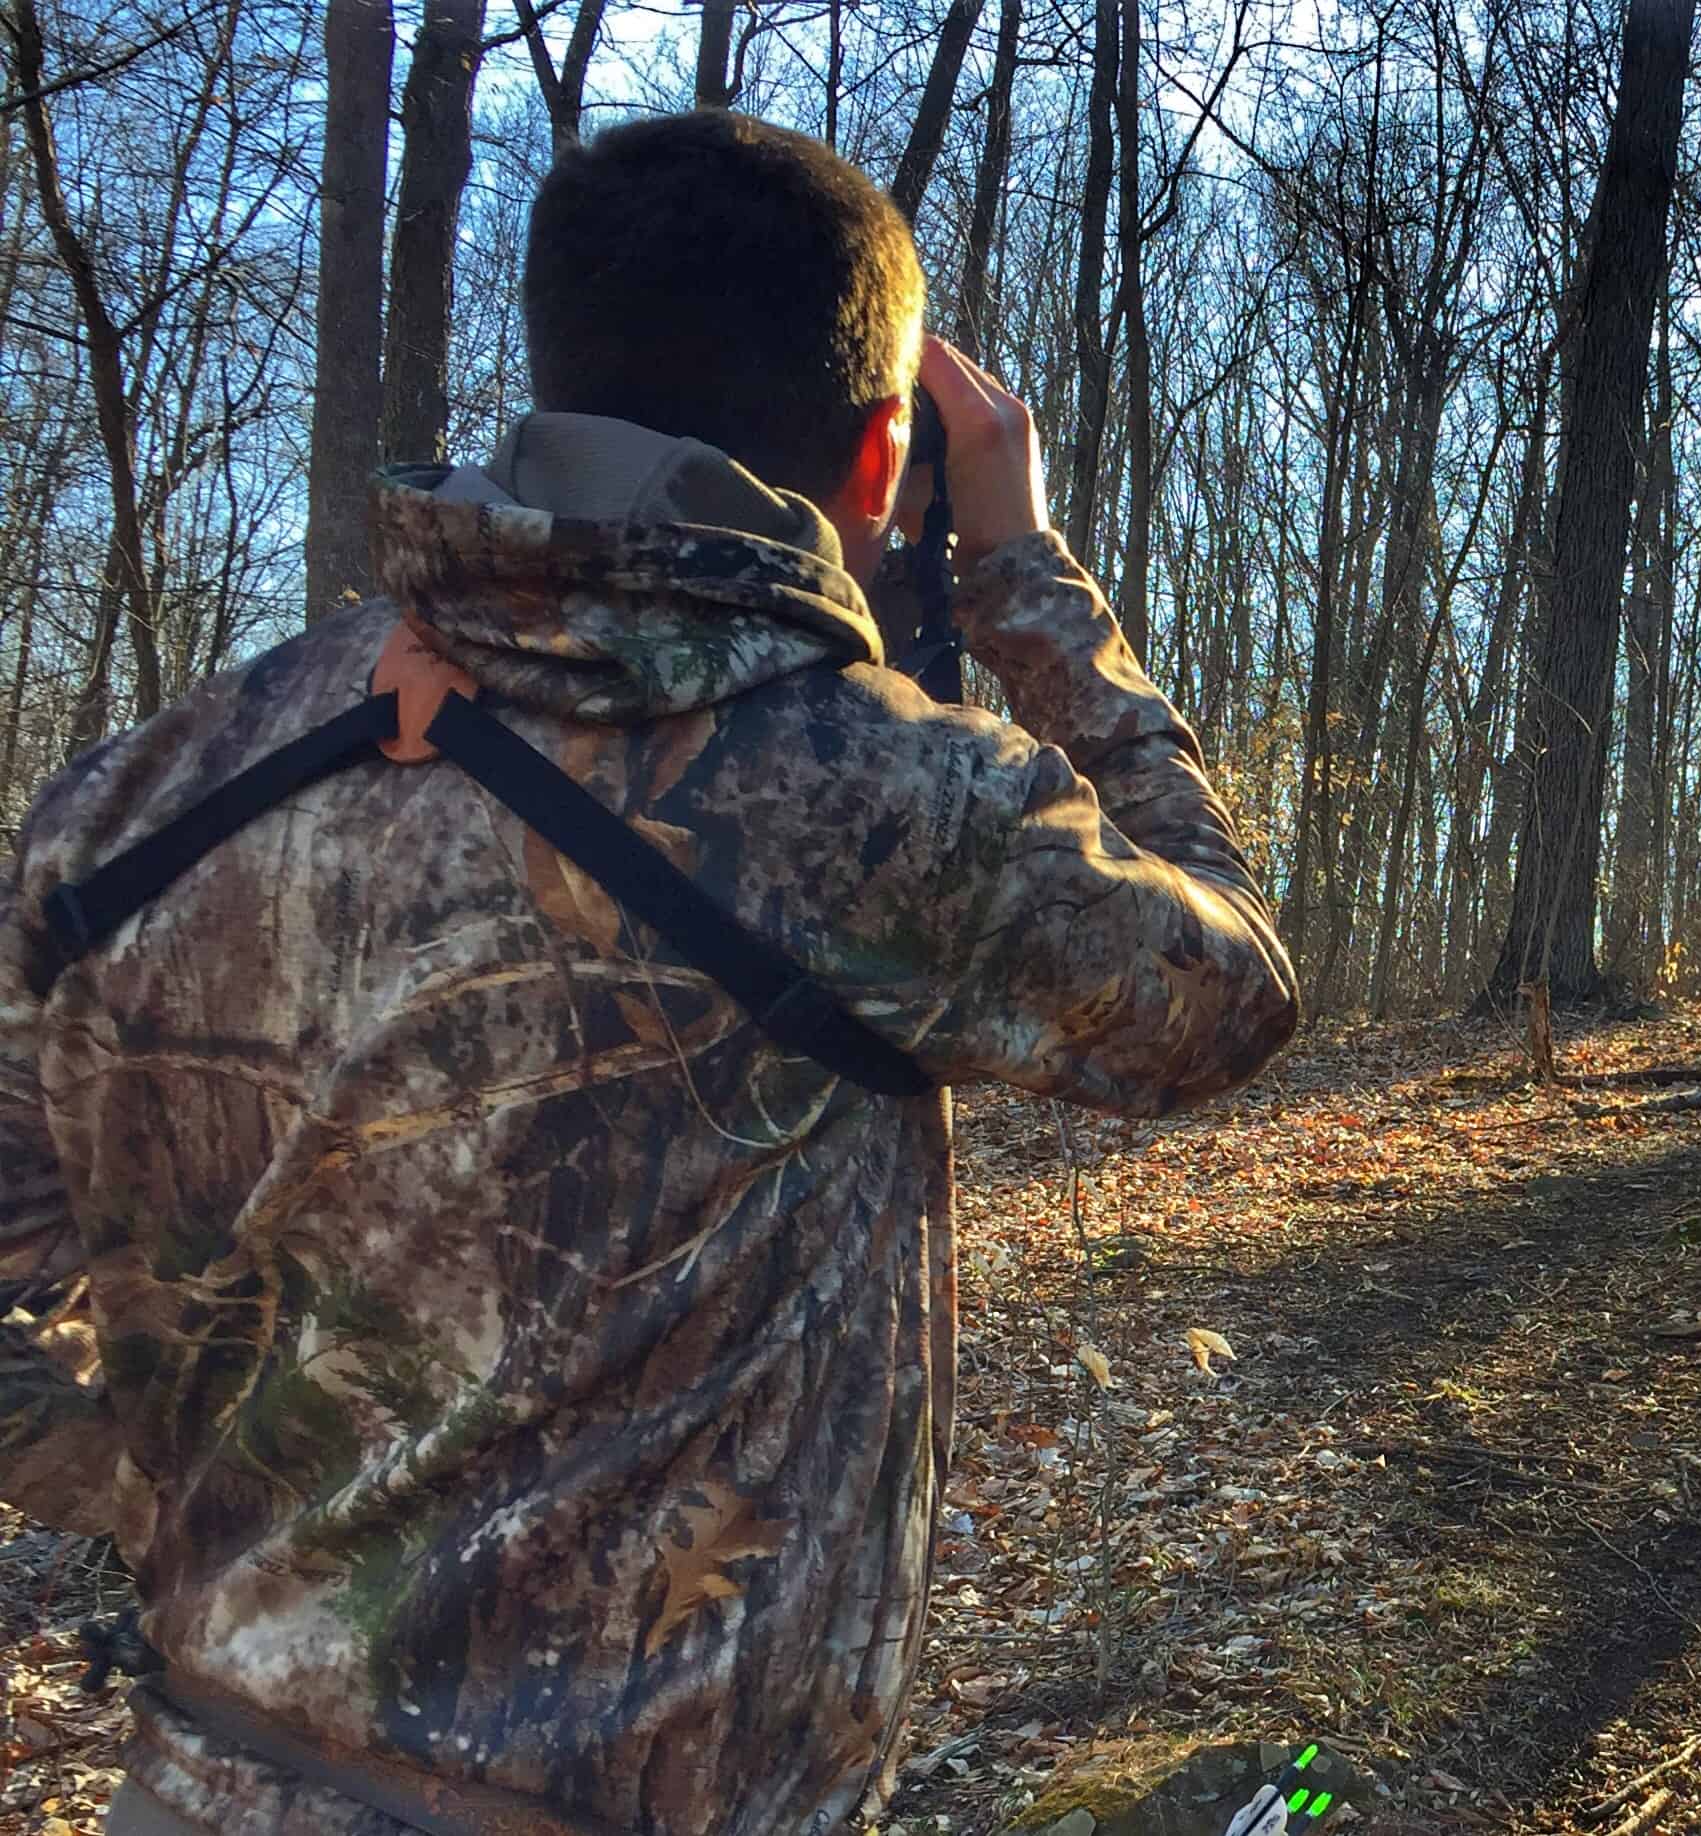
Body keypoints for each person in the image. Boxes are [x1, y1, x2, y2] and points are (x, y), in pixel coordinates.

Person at [0, 110, 1299, 1834]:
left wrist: (161, 1491)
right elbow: (1228, 984)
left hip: (204, 1782)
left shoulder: (137, 799)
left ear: (549, 377)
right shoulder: (884, 802)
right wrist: (1020, 575)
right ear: (880, 458)